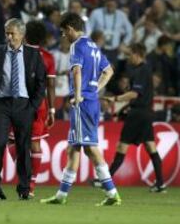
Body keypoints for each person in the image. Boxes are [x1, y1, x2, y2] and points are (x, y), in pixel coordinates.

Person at [40, 13, 120, 206]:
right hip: (91, 101)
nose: (63, 37)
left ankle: (112, 193)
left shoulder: (77, 45)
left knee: (90, 148)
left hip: (82, 103)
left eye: (63, 32)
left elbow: (76, 70)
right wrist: (95, 89)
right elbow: (109, 71)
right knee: (74, 148)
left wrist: (77, 95)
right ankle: (61, 195)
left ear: (70, 28)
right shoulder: (93, 45)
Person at [0, 18, 46, 200]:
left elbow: (41, 83)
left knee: (23, 147)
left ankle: (24, 188)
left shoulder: (34, 55)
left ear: (22, 34)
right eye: (7, 33)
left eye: (13, 33)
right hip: (1, 104)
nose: (9, 37)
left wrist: (33, 106)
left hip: (23, 105)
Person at [103, 43, 166, 193]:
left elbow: (134, 94)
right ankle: (160, 183)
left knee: (122, 146)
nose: (128, 57)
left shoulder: (142, 71)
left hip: (138, 114)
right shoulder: (142, 70)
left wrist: (116, 99)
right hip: (145, 113)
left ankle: (105, 180)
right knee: (151, 147)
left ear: (137, 54)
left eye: (130, 54)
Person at [7, 20, 56, 198]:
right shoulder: (49, 57)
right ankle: (31, 184)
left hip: (18, 102)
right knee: (35, 144)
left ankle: (25, 177)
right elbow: (51, 85)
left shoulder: (17, 53)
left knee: (12, 141)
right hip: (40, 105)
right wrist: (52, 111)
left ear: (25, 35)